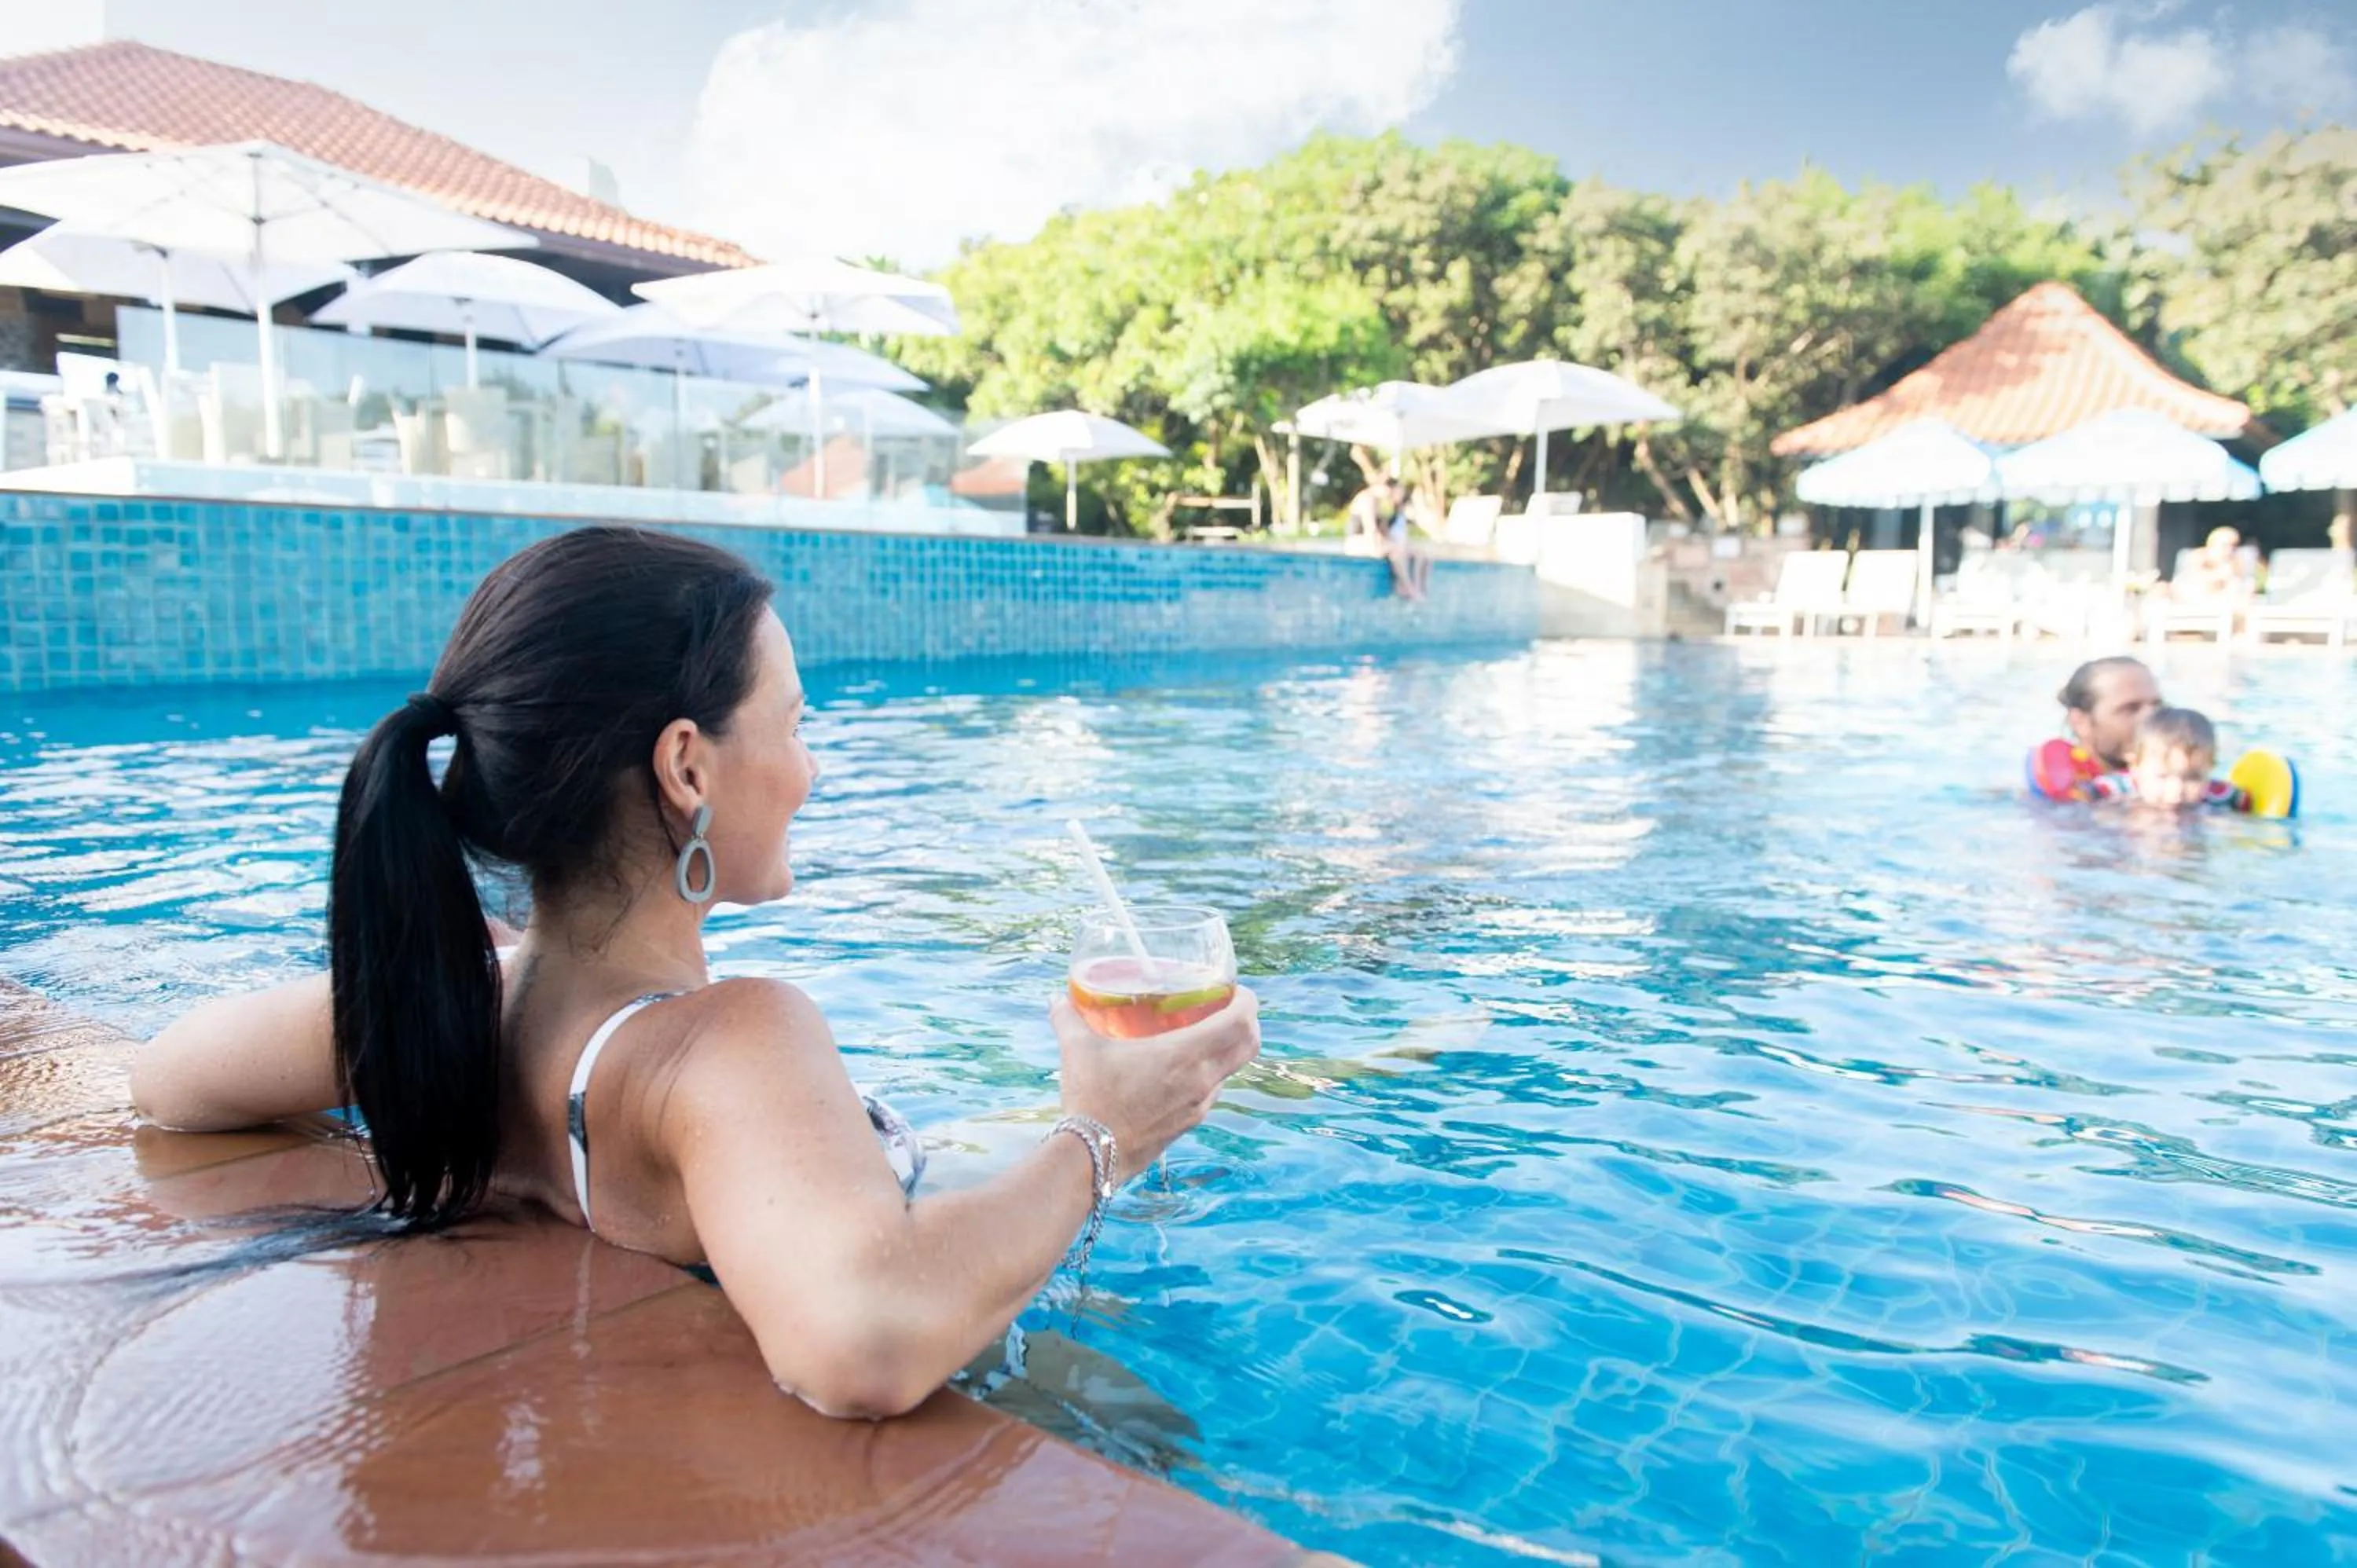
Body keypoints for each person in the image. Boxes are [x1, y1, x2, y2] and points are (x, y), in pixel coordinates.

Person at [128, 525, 1263, 1420]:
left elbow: (171, 1081)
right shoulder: (727, 1039)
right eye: (795, 723)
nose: (810, 772)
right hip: (919, 1415)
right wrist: (1105, 1134)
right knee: (1177, 1424)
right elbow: (862, 1344)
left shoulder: (465, 1006)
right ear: (687, 767)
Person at [2081, 707, 2253, 811]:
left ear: (2210, 768)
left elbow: (2252, 802)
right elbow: (2080, 796)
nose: (2176, 792)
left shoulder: (2217, 795)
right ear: (2135, 766)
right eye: (2163, 777)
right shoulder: (2117, 788)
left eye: (2192, 778)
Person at [1345, 474, 1429, 601]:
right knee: (1396, 551)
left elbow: (1384, 532)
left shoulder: (1380, 504)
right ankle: (1406, 587)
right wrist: (1382, 546)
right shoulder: (1368, 499)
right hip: (1356, 542)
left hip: (1368, 541)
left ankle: (1419, 588)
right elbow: (1371, 529)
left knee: (1420, 554)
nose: (1390, 496)